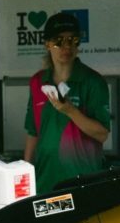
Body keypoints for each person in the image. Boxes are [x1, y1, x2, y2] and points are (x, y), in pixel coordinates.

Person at [24, 12, 111, 194]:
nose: (66, 47)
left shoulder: (93, 82)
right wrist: (25, 175)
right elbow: (33, 132)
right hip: (45, 182)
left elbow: (102, 133)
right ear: (47, 44)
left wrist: (70, 110)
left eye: (72, 40)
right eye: (58, 41)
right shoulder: (37, 82)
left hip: (83, 181)